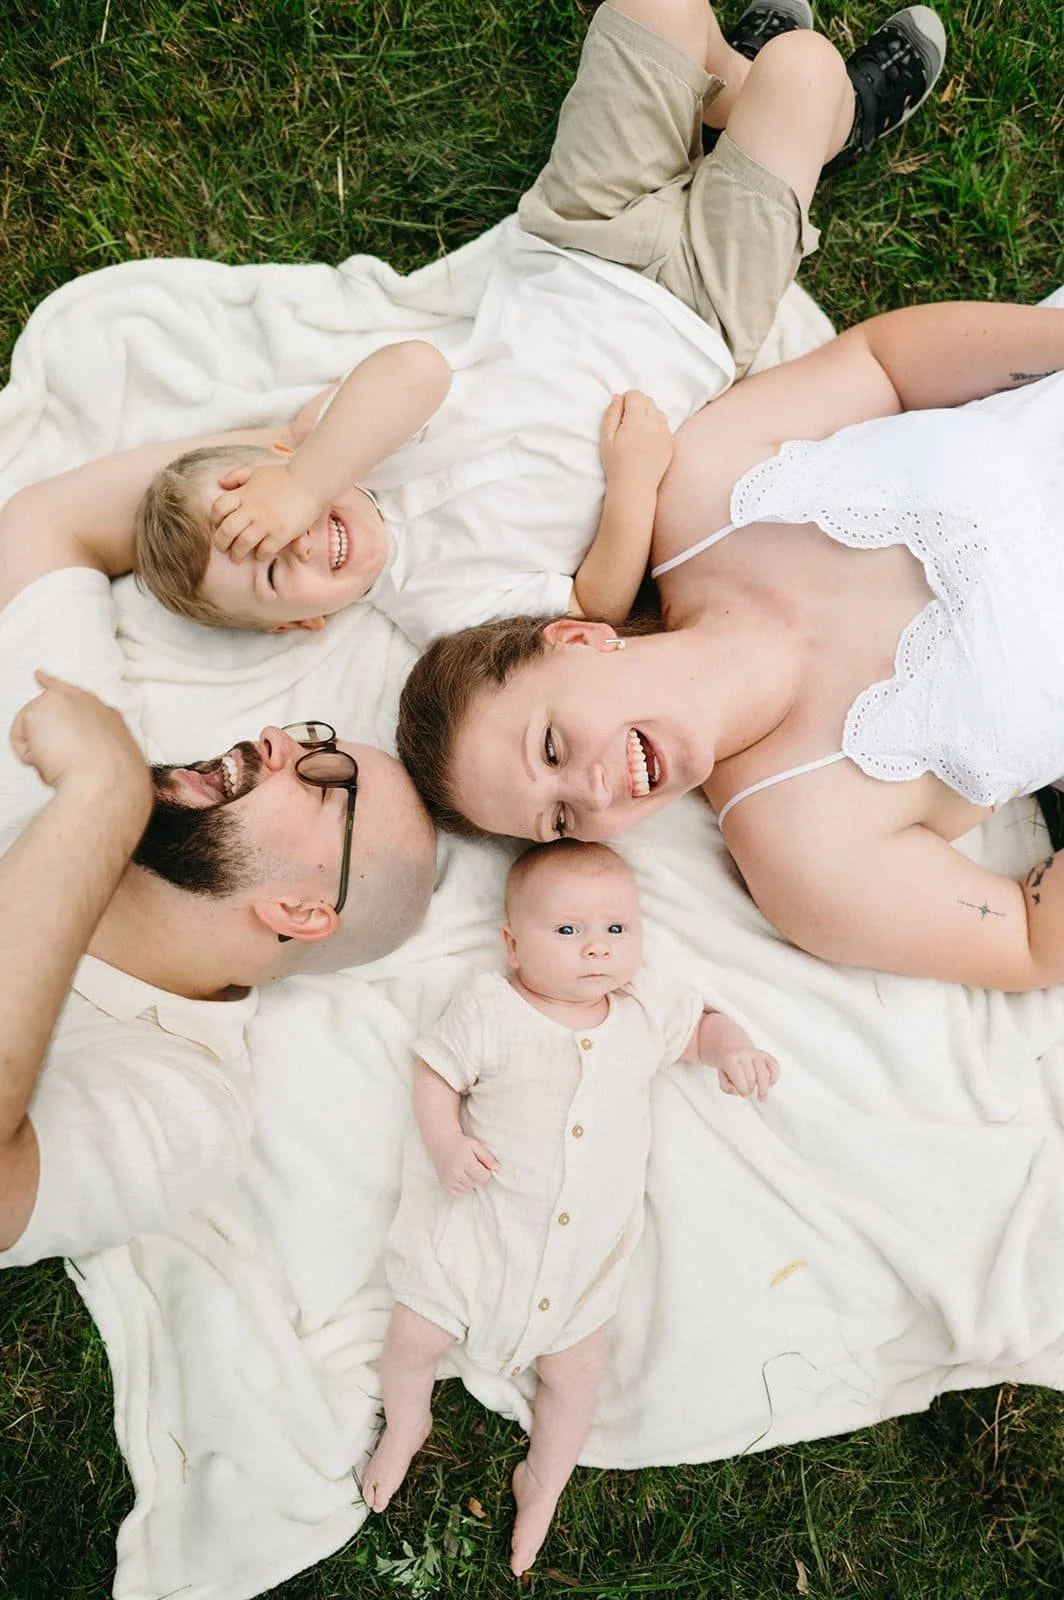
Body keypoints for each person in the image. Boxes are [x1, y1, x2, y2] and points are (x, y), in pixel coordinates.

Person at [120, 0, 946, 644]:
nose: (291, 540)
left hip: (579, 236)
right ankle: (822, 114)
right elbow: (594, 603)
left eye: (254, 513)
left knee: (656, 8)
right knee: (804, 69)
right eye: (270, 574)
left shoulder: (338, 442)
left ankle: (730, 85)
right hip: (705, 312)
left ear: (270, 462)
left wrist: (306, 476)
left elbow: (417, 373)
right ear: (303, 625)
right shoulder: (440, 615)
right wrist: (632, 485)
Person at [394, 297, 1064, 993]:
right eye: (560, 821)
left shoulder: (707, 486)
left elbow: (885, 363)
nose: (592, 795)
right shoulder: (811, 866)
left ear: (579, 639)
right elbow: (1029, 940)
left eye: (552, 747)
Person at [0, 463, 437, 1264]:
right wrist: (290, 473)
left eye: (322, 777)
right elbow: (43, 522)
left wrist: (100, 802)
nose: (278, 742)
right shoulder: (90, 750)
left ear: (303, 912)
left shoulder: (185, 1106)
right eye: (307, 735)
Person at [360, 839, 778, 1574]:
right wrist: (449, 1145)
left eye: (617, 929)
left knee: (576, 1375)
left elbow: (702, 1025)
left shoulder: (645, 1010)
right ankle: (407, 1420)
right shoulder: (492, 1006)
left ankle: (543, 1479)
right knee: (414, 1333)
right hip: (478, 1237)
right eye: (568, 931)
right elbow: (436, 1074)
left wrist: (734, 1049)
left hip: (582, 1265)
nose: (596, 948)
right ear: (512, 945)